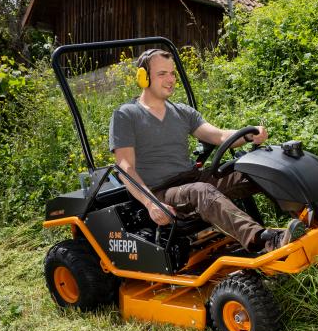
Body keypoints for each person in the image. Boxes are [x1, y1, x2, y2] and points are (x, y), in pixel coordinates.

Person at [109, 48, 302, 253]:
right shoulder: (126, 115)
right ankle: (264, 241)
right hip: (162, 192)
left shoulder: (182, 112)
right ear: (143, 77)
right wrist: (151, 203)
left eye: (172, 73)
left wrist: (247, 135)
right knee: (201, 190)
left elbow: (218, 136)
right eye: (162, 74)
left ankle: (306, 219)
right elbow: (125, 167)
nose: (171, 79)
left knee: (252, 170)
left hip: (192, 178)